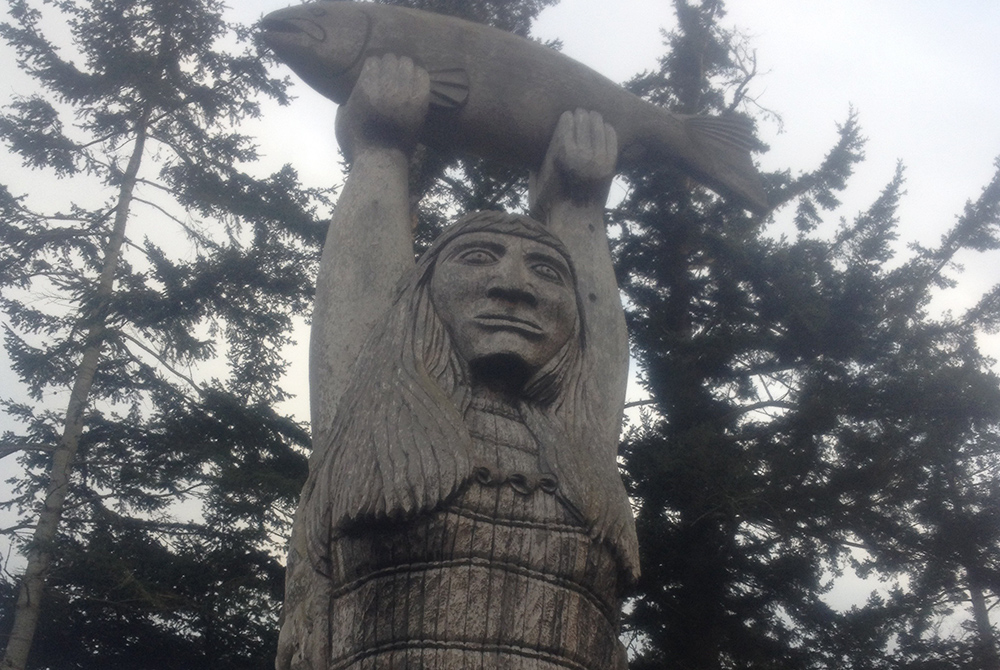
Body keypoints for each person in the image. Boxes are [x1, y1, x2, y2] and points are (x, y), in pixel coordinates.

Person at [277, 53, 638, 670]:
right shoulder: (374, 422)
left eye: (546, 272)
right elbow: (361, 293)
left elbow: (598, 350)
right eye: (477, 258)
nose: (514, 286)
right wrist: (380, 151)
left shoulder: (577, 446)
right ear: (422, 297)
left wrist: (577, 205)